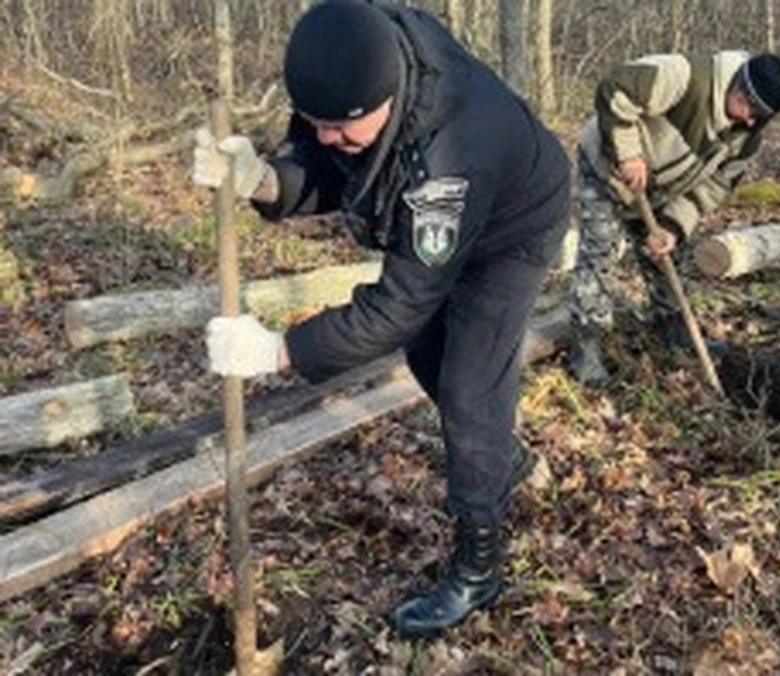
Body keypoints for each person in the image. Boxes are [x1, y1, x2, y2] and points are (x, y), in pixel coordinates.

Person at [191, 0, 570, 638]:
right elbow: (332, 164)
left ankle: (479, 568)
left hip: (513, 230)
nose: (329, 138)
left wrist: (279, 351)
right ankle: (498, 455)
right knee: (427, 353)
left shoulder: (451, 155)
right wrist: (262, 180)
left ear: (388, 98)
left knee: (469, 385)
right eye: (318, 124)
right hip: (459, 208)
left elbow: (395, 306)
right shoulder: (359, 63)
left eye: (343, 127)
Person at [568, 51, 780, 386]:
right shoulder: (686, 77)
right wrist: (628, 153)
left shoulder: (748, 137)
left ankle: (673, 330)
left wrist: (673, 227)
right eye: (751, 109)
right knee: (599, 253)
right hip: (606, 166)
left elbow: (712, 188)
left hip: (662, 187)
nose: (751, 122)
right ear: (738, 88)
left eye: (762, 116)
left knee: (666, 256)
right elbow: (615, 87)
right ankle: (586, 343)